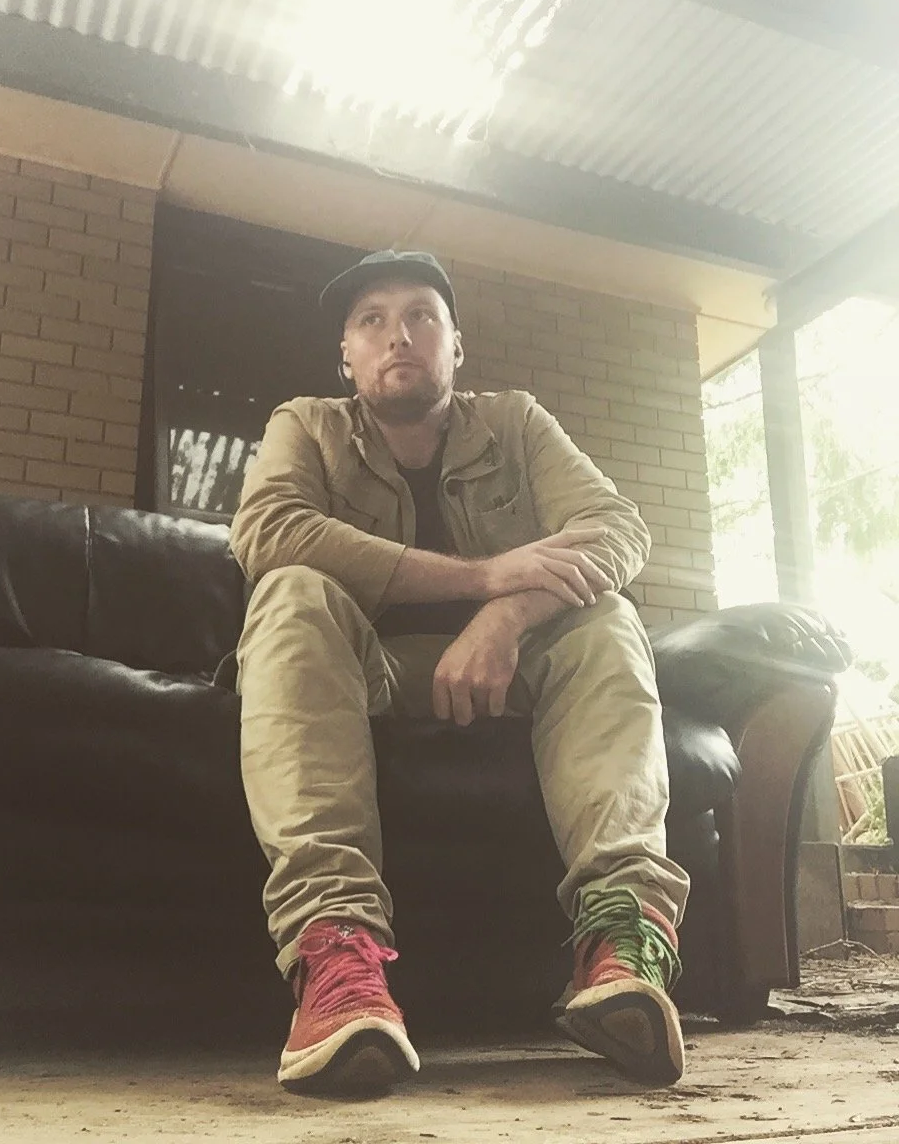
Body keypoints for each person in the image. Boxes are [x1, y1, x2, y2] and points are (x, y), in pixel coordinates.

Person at [229, 250, 690, 1096]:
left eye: (420, 317)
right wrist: (480, 577)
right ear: (346, 357)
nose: (397, 335)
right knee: (292, 596)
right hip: (364, 673)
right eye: (371, 321)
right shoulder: (308, 424)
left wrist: (505, 617)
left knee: (607, 620)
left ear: (456, 345)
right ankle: (339, 962)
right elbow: (268, 532)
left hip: (513, 674)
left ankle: (621, 943)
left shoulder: (515, 421)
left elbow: (617, 528)